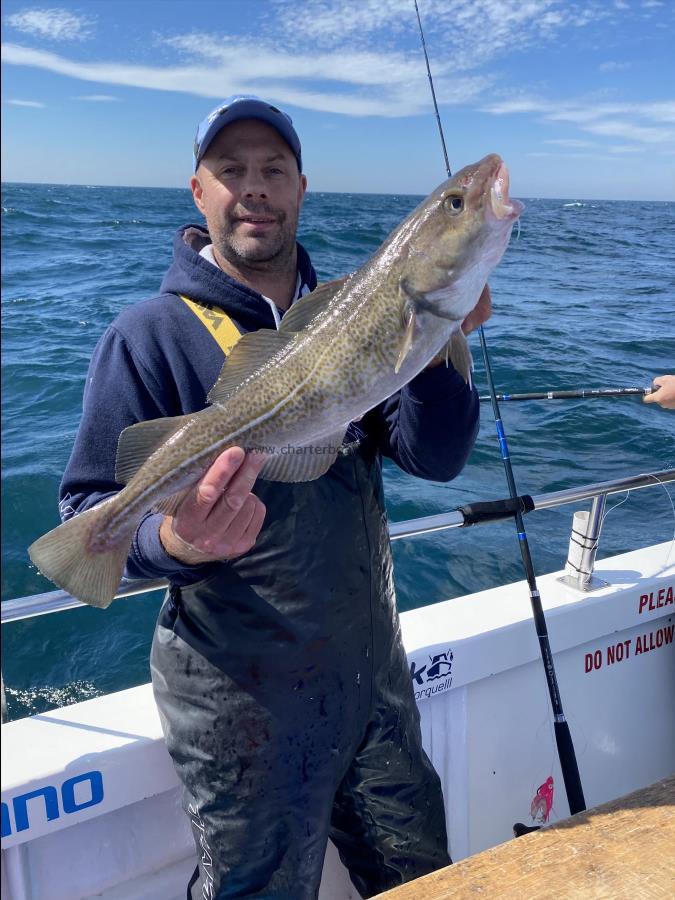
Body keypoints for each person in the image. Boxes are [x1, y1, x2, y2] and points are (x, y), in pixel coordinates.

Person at [59, 95, 487, 899]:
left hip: (372, 681)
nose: (253, 188)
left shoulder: (356, 307)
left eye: (272, 171)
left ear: (299, 188)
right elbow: (84, 514)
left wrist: (432, 347)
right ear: (198, 191)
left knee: (427, 881)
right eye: (231, 171)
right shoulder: (146, 335)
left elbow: (433, 460)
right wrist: (175, 544)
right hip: (237, 705)